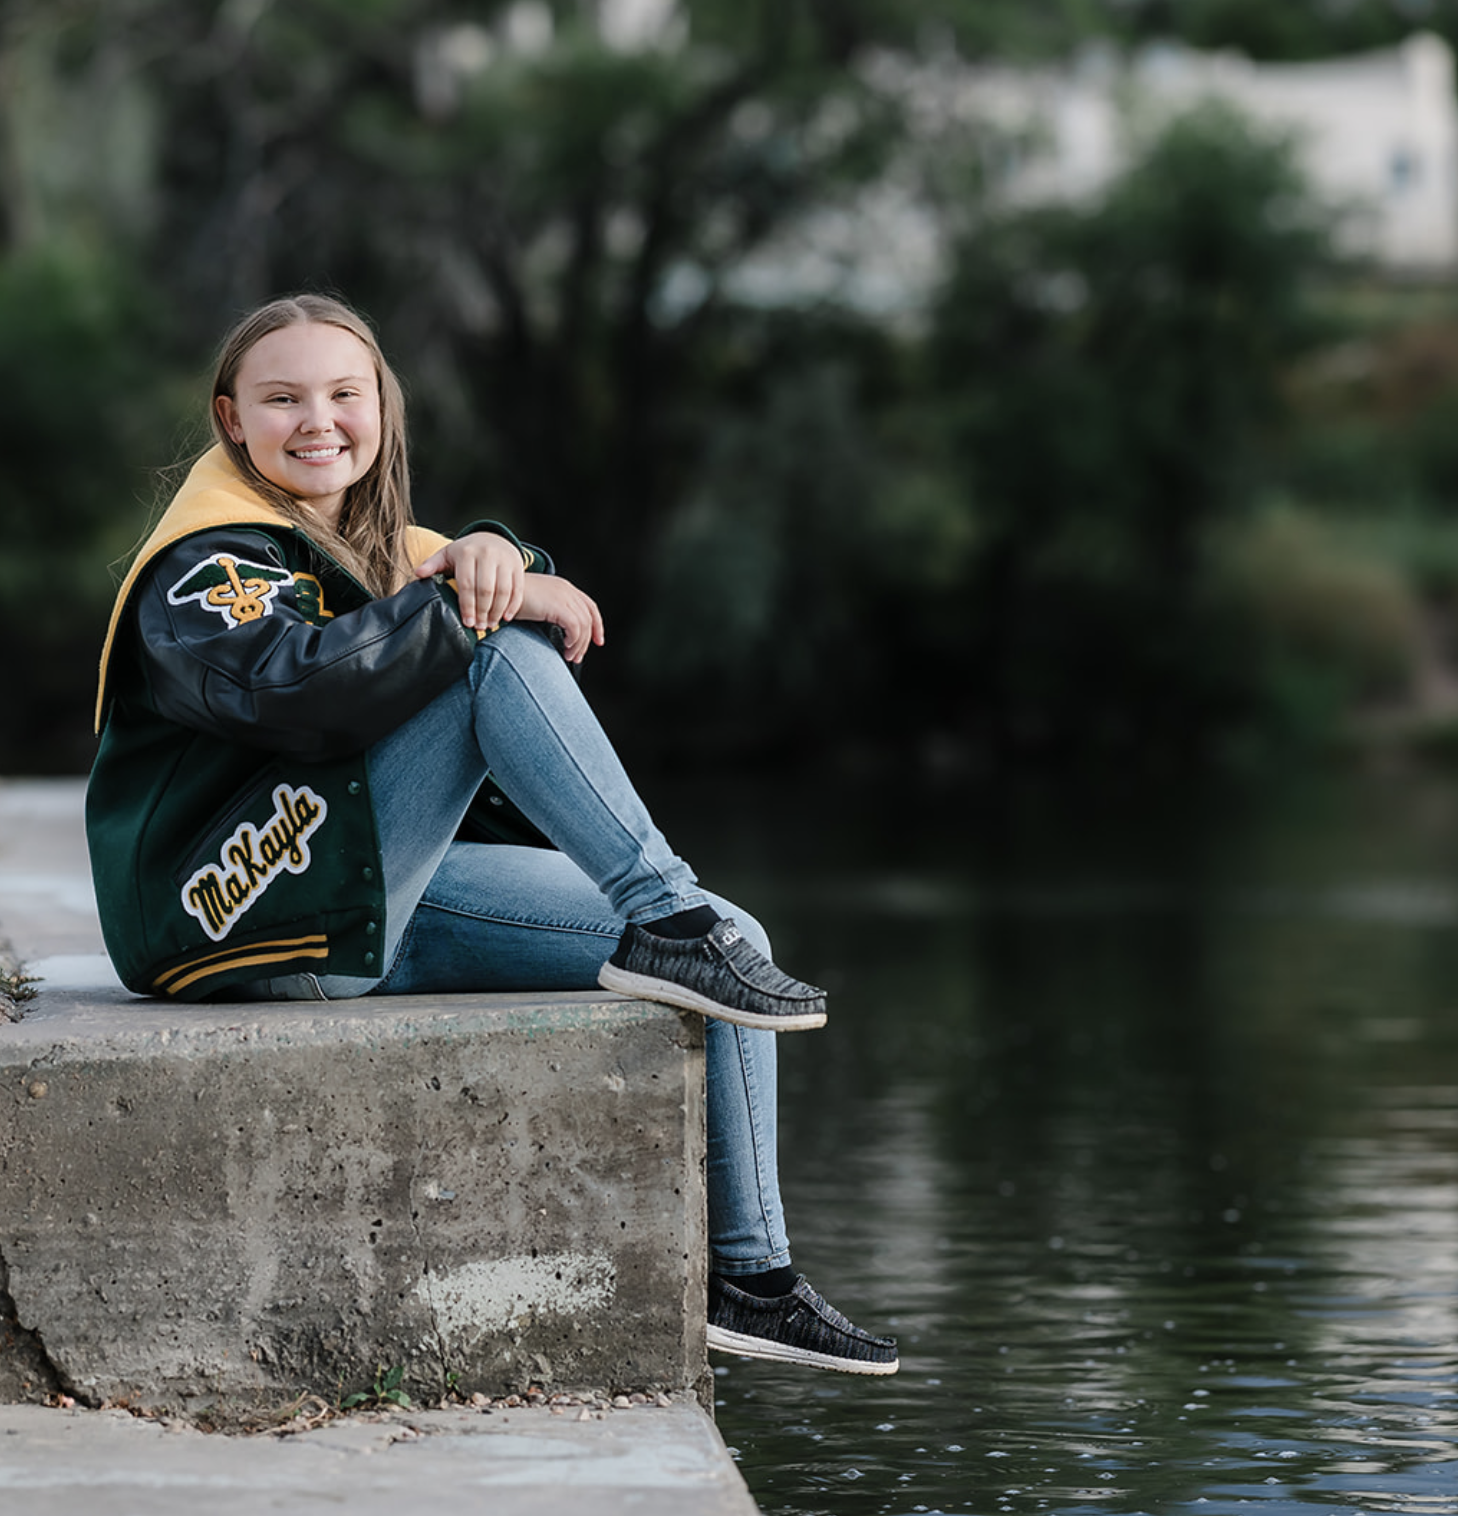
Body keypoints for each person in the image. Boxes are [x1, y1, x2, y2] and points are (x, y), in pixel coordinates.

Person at [85, 293, 895, 1376]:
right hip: (244, 921)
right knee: (490, 649)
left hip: (367, 893)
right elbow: (289, 693)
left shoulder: (372, 546)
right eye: (282, 399)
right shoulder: (205, 562)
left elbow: (435, 591)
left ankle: (751, 1280)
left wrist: (492, 552)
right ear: (232, 419)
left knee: (732, 942)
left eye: (344, 392)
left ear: (383, 407)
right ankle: (666, 912)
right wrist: (483, 595)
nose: (317, 420)